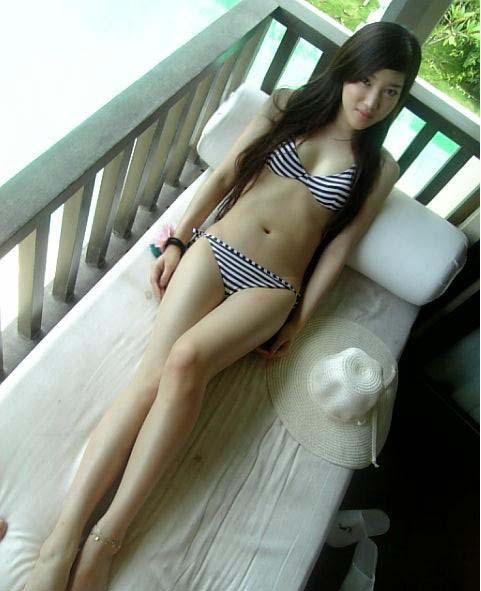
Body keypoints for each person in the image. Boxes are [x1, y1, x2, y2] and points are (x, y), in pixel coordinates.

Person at [23, 20, 421, 591]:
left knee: (187, 363)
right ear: (346, 70)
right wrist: (178, 240)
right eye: (366, 82)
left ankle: (106, 539)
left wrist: (300, 318)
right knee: (149, 378)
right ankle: (61, 542)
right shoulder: (286, 107)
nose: (371, 101)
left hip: (274, 286)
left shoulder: (379, 167)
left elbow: (340, 246)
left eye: (390, 92)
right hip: (216, 250)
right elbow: (226, 174)